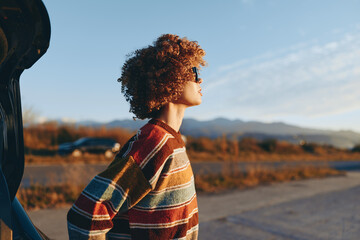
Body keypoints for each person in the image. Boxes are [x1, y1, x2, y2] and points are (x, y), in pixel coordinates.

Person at [67, 33, 206, 240]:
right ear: (171, 78)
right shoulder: (155, 141)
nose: (200, 79)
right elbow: (87, 214)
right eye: (193, 72)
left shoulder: (171, 140)